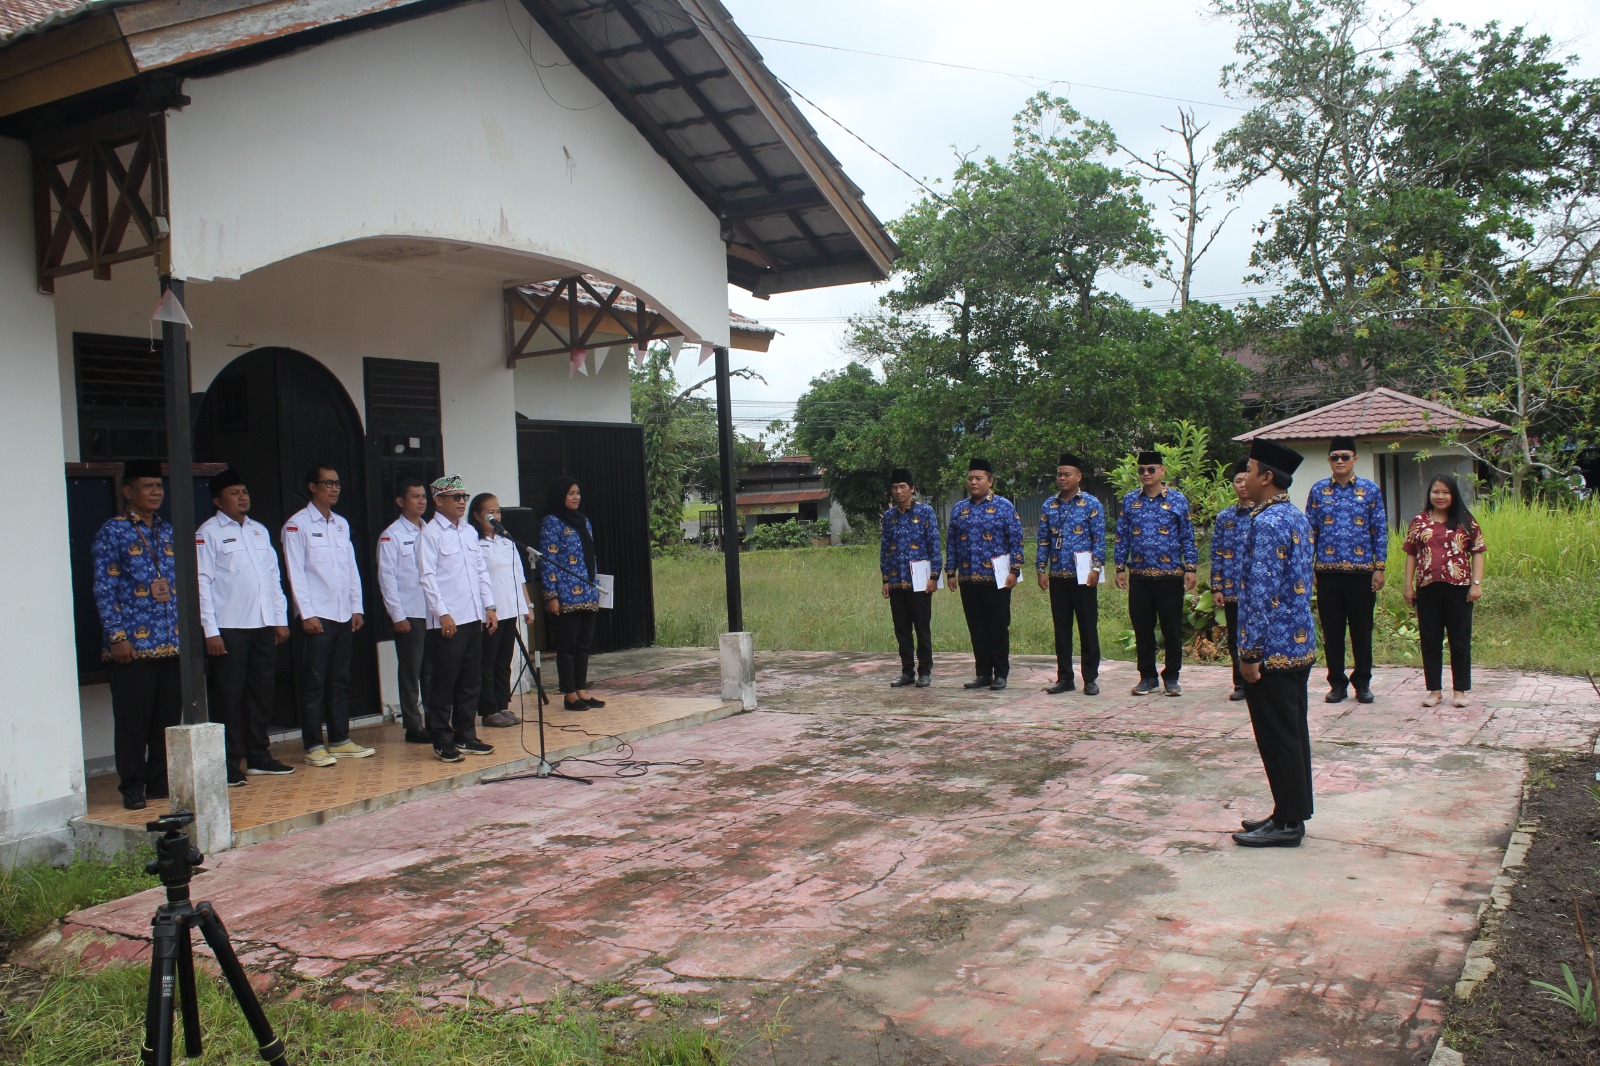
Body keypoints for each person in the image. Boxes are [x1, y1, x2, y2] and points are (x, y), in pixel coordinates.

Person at [1232, 439, 1317, 849]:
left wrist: (1249, 653)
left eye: (1249, 470)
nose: (1244, 477)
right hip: (1299, 642)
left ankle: (1288, 824)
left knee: (1278, 736)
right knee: (1293, 732)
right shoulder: (1294, 516)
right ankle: (1289, 811)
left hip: (1273, 650)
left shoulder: (1264, 523)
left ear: (1266, 477)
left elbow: (1259, 593)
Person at [92, 460, 181, 810]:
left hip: (169, 642)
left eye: (159, 486)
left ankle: (160, 782)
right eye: (148, 486)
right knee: (132, 721)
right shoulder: (112, 532)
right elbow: (104, 588)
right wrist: (117, 637)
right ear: (128, 492)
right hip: (131, 645)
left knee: (166, 720)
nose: (156, 492)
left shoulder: (168, 531)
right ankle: (132, 785)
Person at [195, 468, 293, 785]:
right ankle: (228, 762)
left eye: (245, 491)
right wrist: (210, 630)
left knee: (261, 693)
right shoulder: (207, 533)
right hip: (229, 628)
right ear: (217, 500)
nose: (242, 497)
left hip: (262, 624)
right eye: (234, 492)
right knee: (229, 697)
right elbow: (202, 583)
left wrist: (280, 618)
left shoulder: (259, 531)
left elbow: (272, 578)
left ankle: (259, 756)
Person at [282, 464, 374, 768]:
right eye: (327, 483)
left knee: (340, 679)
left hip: (342, 613)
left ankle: (339, 738)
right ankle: (312, 744)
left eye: (337, 483)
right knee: (314, 681)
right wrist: (306, 613)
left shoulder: (340, 523)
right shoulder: (297, 525)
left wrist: (356, 606)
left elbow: (350, 568)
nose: (334, 489)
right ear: (312, 487)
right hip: (317, 616)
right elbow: (296, 573)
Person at [417, 475, 498, 762]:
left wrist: (489, 606)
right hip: (447, 621)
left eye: (464, 496)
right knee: (444, 682)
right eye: (456, 497)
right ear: (439, 501)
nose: (462, 501)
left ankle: (466, 734)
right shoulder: (430, 534)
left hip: (472, 616)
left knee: (469, 680)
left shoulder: (467, 532)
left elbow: (480, 572)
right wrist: (443, 613)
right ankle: (441, 738)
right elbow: (427, 578)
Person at [1305, 435, 1388, 704]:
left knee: (1362, 630)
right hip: (1328, 574)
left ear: (1355, 459)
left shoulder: (1370, 490)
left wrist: (1380, 567)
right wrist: (1309, 566)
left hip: (1361, 572)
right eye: (1334, 457)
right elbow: (1310, 532)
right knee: (1332, 632)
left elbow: (1379, 530)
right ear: (1329, 461)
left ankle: (1362, 682)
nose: (1340, 462)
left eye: (1345, 456)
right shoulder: (1318, 491)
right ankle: (1337, 683)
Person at [1114, 450, 1198, 696]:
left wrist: (1191, 567)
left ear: (1162, 471)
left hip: (1169, 574)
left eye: (1151, 469)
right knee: (1142, 627)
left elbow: (1187, 536)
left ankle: (1171, 677)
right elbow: (1122, 536)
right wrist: (1120, 567)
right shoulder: (1130, 500)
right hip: (1139, 575)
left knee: (1171, 628)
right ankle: (1147, 676)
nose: (1146, 474)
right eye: (1141, 470)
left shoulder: (1177, 500)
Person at [1401, 475, 1486, 708]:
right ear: (1430, 494)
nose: (1440, 496)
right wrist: (1408, 585)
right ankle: (1434, 691)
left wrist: (1476, 583)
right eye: (1436, 491)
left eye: (1445, 492)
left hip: (1458, 589)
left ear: (1453, 495)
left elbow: (1478, 552)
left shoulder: (1466, 521)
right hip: (1427, 589)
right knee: (1430, 640)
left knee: (1459, 641)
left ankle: (1460, 691)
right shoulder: (1419, 521)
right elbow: (1411, 554)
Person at [944, 458, 1024, 691]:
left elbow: (1016, 541)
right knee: (977, 628)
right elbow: (952, 544)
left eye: (978, 478)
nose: (973, 482)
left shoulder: (1004, 506)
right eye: (970, 478)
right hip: (968, 578)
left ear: (990, 481)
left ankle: (1000, 673)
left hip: (997, 579)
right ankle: (982, 674)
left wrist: (1015, 570)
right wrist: (951, 572)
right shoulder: (960, 509)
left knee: (998, 627)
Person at [1035, 452, 1104, 696]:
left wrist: (1097, 568)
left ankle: (1091, 678)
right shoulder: (1049, 505)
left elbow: (1099, 539)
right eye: (1059, 474)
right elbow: (1043, 540)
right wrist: (1040, 569)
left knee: (1087, 628)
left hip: (1083, 576)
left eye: (1067, 474)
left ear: (1079, 476)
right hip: (1058, 576)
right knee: (1061, 629)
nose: (1062, 478)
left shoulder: (1091, 504)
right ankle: (1065, 677)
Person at [539, 478, 605, 711]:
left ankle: (581, 690)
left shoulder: (584, 521)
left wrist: (595, 585)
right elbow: (548, 560)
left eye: (578, 493)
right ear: (560, 496)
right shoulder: (552, 523)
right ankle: (569, 694)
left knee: (584, 645)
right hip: (565, 594)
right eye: (570, 493)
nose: (576, 497)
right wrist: (551, 595)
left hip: (587, 591)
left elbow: (591, 556)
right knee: (567, 646)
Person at [377, 476, 432, 744]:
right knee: (411, 671)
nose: (421, 501)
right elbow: (387, 578)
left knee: (432, 670)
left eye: (423, 496)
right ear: (400, 502)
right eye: (415, 496)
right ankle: (413, 725)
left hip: (433, 613)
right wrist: (397, 615)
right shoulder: (392, 535)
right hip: (410, 613)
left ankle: (435, 720)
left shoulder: (430, 531)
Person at [472, 492, 531, 728]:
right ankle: (488, 709)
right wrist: (487, 608)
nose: (495, 516)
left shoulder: (507, 541)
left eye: (498, 511)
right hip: (491, 612)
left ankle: (502, 704)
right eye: (489, 512)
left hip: (510, 608)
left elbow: (520, 576)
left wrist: (528, 605)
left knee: (504, 659)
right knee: (488, 659)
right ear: (477, 515)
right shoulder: (476, 544)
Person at [879, 468, 941, 688]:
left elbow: (934, 545)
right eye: (895, 487)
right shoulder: (889, 517)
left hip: (920, 582)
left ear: (912, 489)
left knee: (922, 628)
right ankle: (907, 672)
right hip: (897, 581)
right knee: (902, 630)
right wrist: (885, 579)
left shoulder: (925, 513)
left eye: (903, 486)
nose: (899, 491)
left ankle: (925, 671)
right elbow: (885, 549)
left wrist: (935, 576)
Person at [1210, 460, 1252, 702]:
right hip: (1232, 589)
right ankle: (1241, 683)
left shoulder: (1265, 513)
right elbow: (1216, 553)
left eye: (1246, 480)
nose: (1243, 485)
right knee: (1236, 638)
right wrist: (1217, 586)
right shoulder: (1225, 517)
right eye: (1238, 481)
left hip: (1258, 591)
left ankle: (1262, 680)